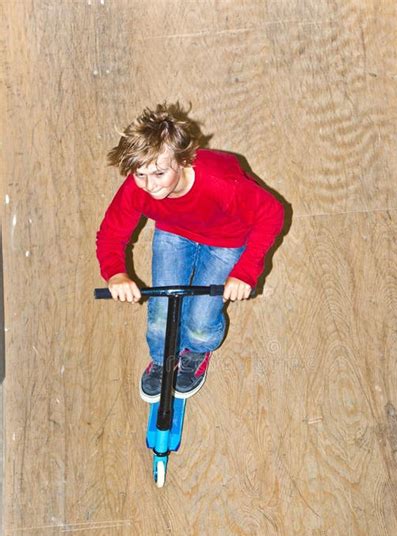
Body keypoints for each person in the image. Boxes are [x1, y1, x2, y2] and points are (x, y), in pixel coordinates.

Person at [96, 102, 284, 402]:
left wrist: (245, 272)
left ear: (183, 161)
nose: (148, 185)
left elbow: (272, 214)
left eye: (158, 173)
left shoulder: (222, 184)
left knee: (200, 319)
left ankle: (197, 349)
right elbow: (111, 233)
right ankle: (162, 358)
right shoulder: (138, 188)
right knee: (160, 313)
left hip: (226, 238)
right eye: (139, 175)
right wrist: (115, 273)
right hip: (174, 232)